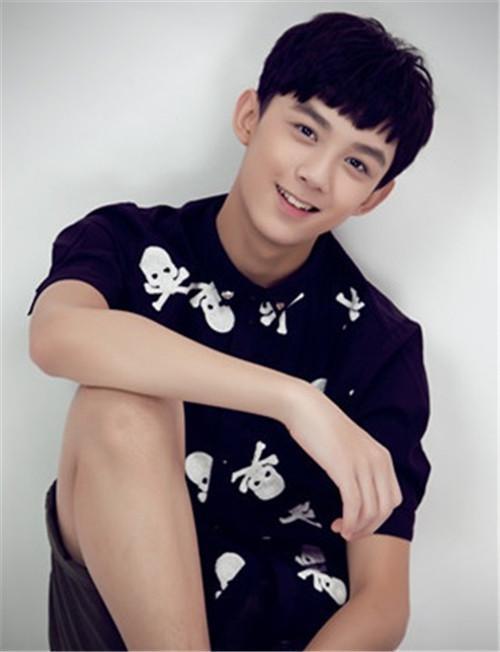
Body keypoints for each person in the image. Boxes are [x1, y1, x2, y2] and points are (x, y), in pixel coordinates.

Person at [27, 11, 435, 652]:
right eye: (306, 130)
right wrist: (295, 402)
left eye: (357, 164)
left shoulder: (379, 344)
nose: (316, 173)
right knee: (121, 404)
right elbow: (56, 336)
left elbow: (381, 599)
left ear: (373, 197)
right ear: (250, 116)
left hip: (291, 633)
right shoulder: (126, 242)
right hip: (117, 621)